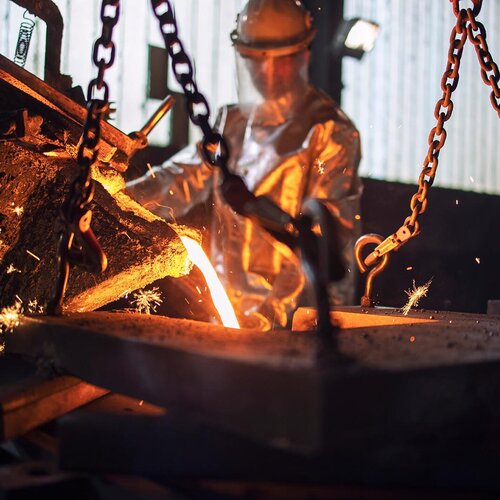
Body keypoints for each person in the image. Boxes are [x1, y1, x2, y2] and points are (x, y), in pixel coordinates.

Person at [127, 0, 362, 330]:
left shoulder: (329, 132)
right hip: (227, 313)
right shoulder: (231, 123)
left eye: (279, 62)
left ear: (303, 56)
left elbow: (326, 242)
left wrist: (295, 321)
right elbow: (178, 178)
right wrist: (116, 200)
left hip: (297, 324)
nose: (266, 74)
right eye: (254, 61)